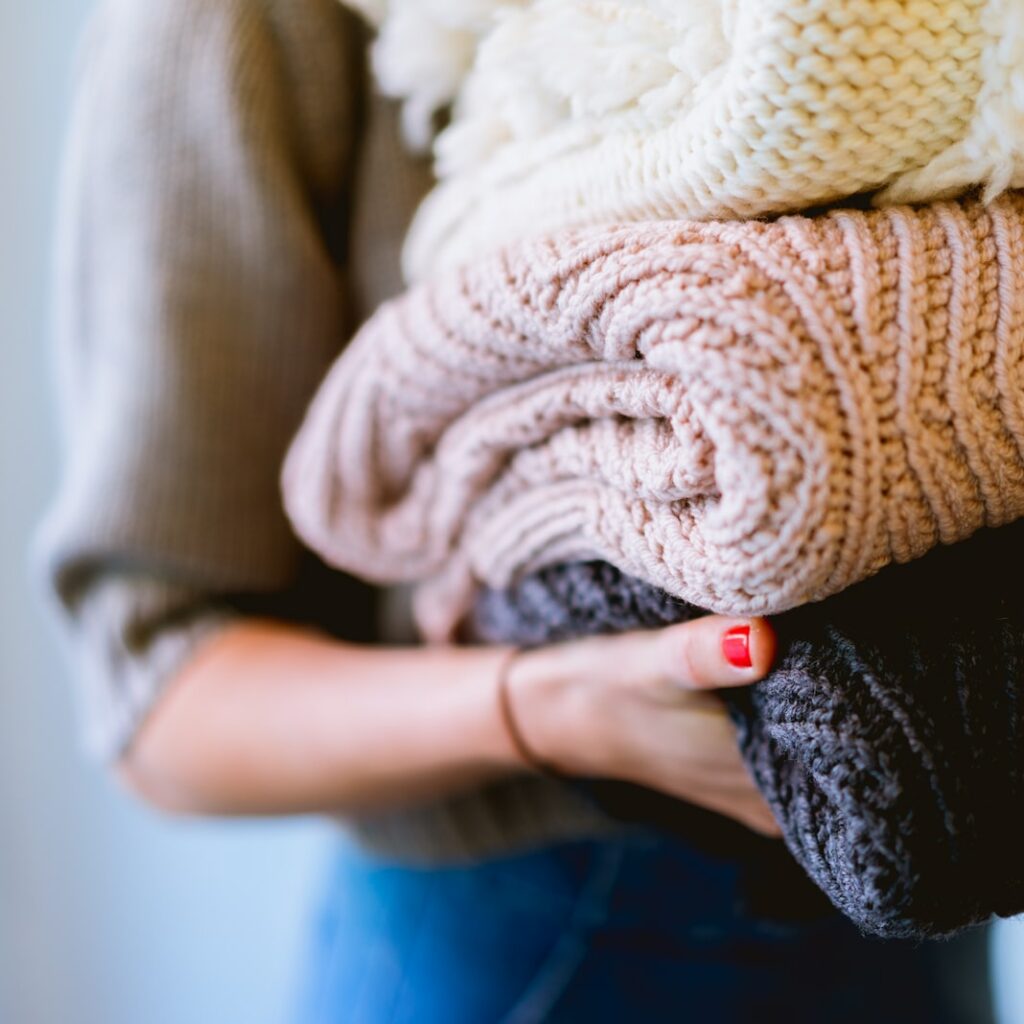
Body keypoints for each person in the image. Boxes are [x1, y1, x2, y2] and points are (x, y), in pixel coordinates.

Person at [37, 0, 993, 1020]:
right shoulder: (233, 24)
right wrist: (543, 710)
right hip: (545, 928)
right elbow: (159, 699)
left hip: (923, 861)